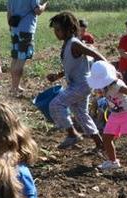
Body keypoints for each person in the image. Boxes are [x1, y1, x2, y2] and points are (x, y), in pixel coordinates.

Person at [46, 11, 106, 150]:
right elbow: (73, 65)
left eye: (58, 29)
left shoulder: (74, 43)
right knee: (81, 114)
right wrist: (57, 76)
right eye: (54, 29)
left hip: (81, 85)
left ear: (69, 29)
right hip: (79, 84)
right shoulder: (68, 44)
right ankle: (99, 142)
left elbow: (96, 55)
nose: (56, 32)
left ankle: (72, 134)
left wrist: (109, 71)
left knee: (55, 104)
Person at [7, 0, 48, 96]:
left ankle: (14, 85)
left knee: (15, 58)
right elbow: (38, 11)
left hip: (14, 29)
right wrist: (45, 4)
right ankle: (15, 89)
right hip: (26, 30)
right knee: (21, 59)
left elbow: (9, 12)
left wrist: (11, 27)